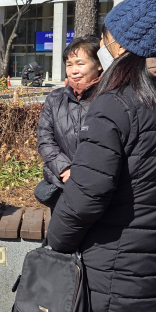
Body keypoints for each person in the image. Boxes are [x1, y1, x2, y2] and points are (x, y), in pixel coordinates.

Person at [46, 0, 156, 312]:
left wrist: (56, 243)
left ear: (119, 44)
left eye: (105, 39)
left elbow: (86, 196)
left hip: (111, 281)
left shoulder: (115, 104)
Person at [35, 36, 102, 209]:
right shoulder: (55, 98)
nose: (74, 71)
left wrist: (84, 174)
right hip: (60, 184)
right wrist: (65, 170)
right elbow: (45, 139)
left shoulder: (110, 97)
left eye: (80, 63)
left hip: (97, 186)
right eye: (69, 64)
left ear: (99, 64)